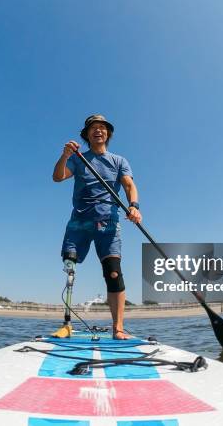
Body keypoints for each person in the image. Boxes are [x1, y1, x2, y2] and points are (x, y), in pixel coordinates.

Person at [52, 114, 142, 340]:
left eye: (102, 127)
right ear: (87, 135)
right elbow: (58, 177)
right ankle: (67, 324)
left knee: (113, 273)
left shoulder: (119, 161)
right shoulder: (78, 158)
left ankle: (118, 328)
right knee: (70, 269)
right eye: (93, 128)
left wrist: (133, 206)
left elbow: (130, 185)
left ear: (108, 133)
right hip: (79, 221)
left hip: (108, 223)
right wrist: (64, 156)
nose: (98, 131)